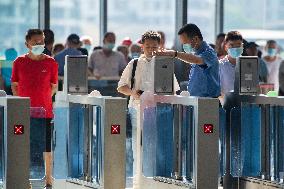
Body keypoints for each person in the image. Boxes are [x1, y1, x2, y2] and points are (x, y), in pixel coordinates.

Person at [117, 31, 180, 189]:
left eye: (154, 46)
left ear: (160, 47)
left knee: (158, 146)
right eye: (148, 46)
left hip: (159, 111)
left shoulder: (164, 64)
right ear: (142, 46)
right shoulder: (134, 63)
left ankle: (156, 182)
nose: (151, 49)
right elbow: (122, 86)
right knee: (139, 146)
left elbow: (173, 90)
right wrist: (133, 93)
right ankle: (139, 183)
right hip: (137, 110)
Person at [11, 29, 58, 189]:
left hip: (45, 111)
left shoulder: (51, 62)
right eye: (35, 42)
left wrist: (43, 99)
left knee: (46, 146)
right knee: (24, 145)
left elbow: (53, 87)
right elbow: (15, 85)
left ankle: (48, 179)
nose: (39, 44)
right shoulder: (19, 62)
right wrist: (21, 103)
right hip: (23, 112)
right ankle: (26, 179)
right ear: (27, 44)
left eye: (41, 42)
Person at [156, 23, 220, 98]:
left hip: (208, 100)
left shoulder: (209, 53)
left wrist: (175, 54)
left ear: (196, 39)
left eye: (185, 43)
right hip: (196, 99)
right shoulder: (195, 53)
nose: (184, 46)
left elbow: (197, 60)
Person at [218, 31, 243, 102]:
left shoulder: (248, 64)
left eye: (238, 45)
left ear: (242, 46)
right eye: (231, 45)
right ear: (226, 47)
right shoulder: (220, 65)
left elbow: (255, 88)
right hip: (226, 105)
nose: (235, 48)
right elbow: (216, 89)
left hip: (245, 106)